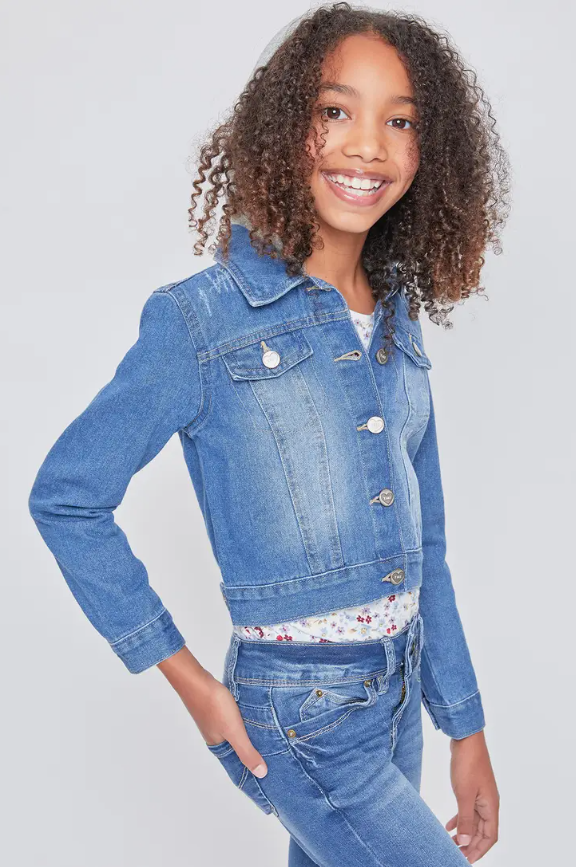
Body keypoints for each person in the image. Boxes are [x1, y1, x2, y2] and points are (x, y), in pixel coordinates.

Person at [28, 3, 510, 864]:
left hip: (398, 694)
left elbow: (425, 543)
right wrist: (192, 685)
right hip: (301, 716)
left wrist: (463, 725)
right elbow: (67, 498)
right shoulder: (201, 321)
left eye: (400, 121)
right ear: (285, 127)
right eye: (336, 111)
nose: (368, 145)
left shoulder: (397, 321)